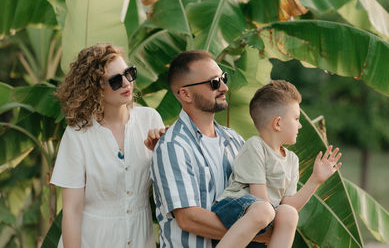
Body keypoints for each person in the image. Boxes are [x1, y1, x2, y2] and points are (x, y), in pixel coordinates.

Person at [151, 50, 271, 248]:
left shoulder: (235, 141)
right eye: (214, 82)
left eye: (223, 78)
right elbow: (189, 218)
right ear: (185, 94)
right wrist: (256, 232)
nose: (224, 87)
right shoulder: (173, 146)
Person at [50, 43, 166, 247]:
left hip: (141, 237)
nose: (126, 83)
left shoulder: (150, 119)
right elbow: (72, 210)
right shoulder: (78, 134)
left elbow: (168, 187)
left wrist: (161, 151)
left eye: (129, 73)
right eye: (115, 80)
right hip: (93, 240)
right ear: (94, 89)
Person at [212, 80, 342, 248]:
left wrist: (315, 179)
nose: (300, 125)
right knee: (264, 209)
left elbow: (288, 206)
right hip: (235, 214)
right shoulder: (255, 146)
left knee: (289, 214)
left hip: (264, 221)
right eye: (296, 118)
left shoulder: (292, 160)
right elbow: (259, 198)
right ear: (278, 123)